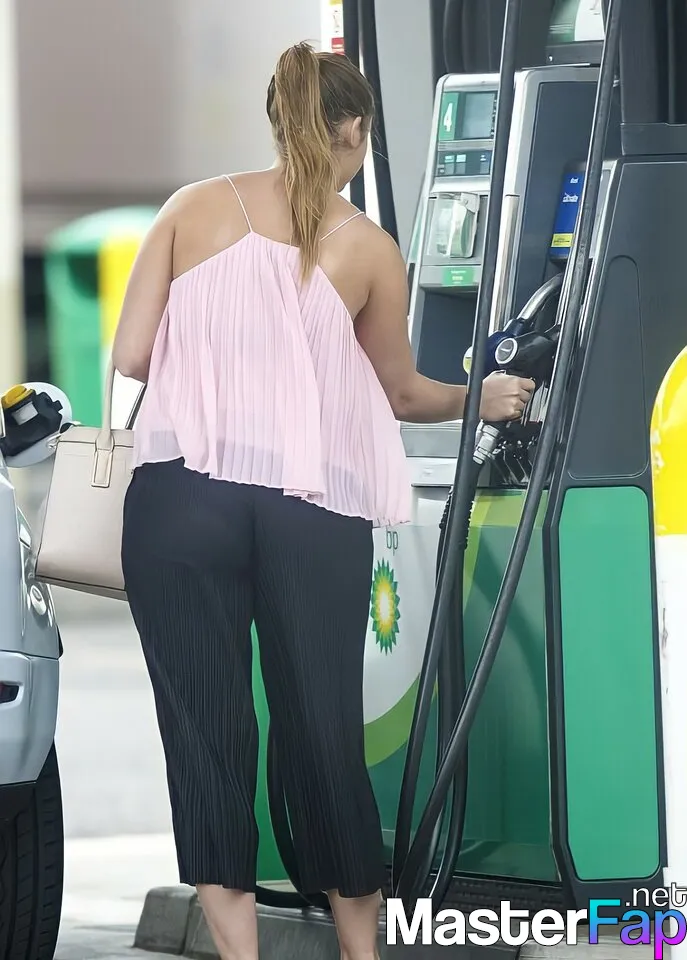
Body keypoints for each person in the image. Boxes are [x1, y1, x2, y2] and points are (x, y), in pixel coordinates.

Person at [113, 41, 534, 960]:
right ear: (353, 129)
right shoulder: (369, 248)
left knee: (205, 733)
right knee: (321, 730)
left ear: (278, 120)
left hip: (181, 502)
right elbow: (402, 393)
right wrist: (486, 397)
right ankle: (359, 951)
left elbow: (134, 355)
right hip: (308, 509)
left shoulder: (191, 208)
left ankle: (240, 955)